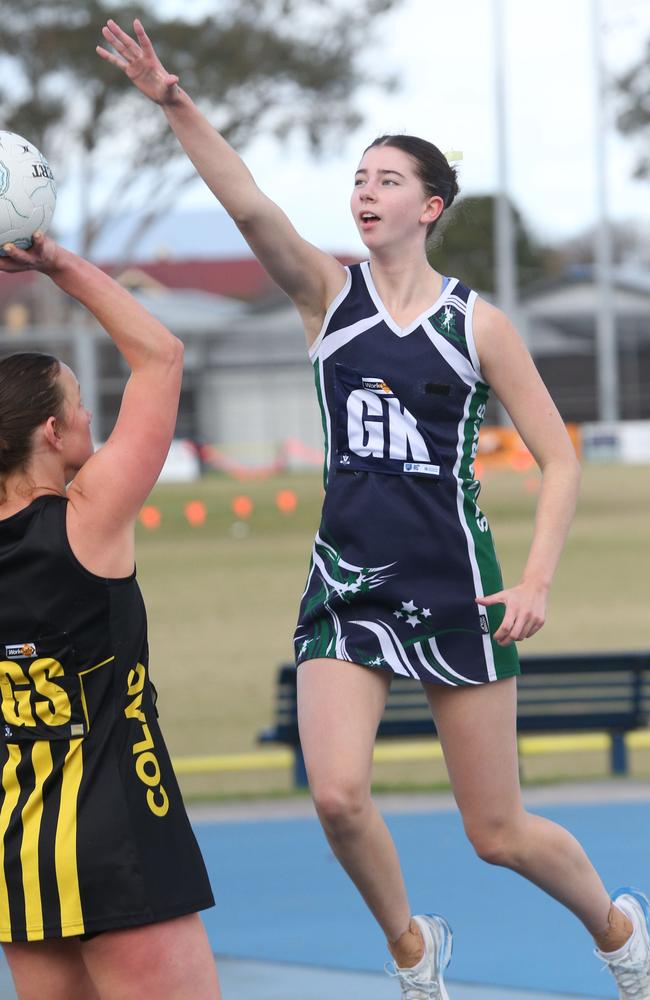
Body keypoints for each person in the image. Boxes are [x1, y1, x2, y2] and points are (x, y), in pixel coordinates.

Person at [96, 18, 650, 999]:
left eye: (387, 179)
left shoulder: (474, 323)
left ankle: (614, 929)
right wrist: (175, 102)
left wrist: (533, 579)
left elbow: (557, 459)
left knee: (497, 833)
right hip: (345, 587)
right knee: (338, 795)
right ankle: (408, 945)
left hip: (454, 587)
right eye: (357, 178)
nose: (365, 192)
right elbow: (247, 205)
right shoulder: (326, 296)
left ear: (429, 205)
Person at [0, 234, 220, 1000]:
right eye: (75, 404)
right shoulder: (85, 522)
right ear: (52, 434)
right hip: (121, 838)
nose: (91, 415)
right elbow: (159, 355)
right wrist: (57, 265)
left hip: (21, 856)